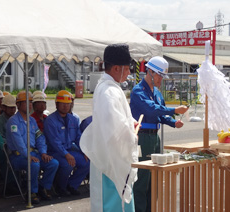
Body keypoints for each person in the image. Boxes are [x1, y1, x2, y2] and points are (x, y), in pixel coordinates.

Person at [80, 43, 139, 212]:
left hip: (111, 157)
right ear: (116, 68)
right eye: (127, 69)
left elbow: (116, 121)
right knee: (114, 204)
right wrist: (132, 133)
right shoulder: (108, 92)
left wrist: (130, 124)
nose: (129, 73)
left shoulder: (109, 88)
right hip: (110, 160)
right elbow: (114, 131)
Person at [130, 56, 189, 212]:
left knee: (154, 179)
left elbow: (161, 115)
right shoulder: (138, 91)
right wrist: (175, 110)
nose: (161, 79)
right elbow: (151, 109)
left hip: (154, 137)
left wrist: (173, 122)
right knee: (142, 178)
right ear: (150, 72)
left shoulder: (156, 92)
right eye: (160, 75)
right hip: (142, 137)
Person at [6, 91, 59, 204]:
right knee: (34, 165)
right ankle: (31, 192)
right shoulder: (13, 122)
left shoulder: (32, 120)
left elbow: (40, 137)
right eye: (25, 102)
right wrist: (28, 155)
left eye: (30, 102)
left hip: (33, 153)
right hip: (18, 156)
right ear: (18, 105)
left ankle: (43, 187)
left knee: (53, 163)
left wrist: (43, 153)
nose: (29, 105)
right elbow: (18, 142)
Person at [43, 90, 89, 196]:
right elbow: (54, 142)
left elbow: (78, 137)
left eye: (67, 104)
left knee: (86, 162)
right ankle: (60, 187)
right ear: (56, 104)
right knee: (68, 164)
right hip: (55, 152)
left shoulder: (73, 119)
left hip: (69, 151)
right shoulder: (50, 120)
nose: (65, 106)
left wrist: (85, 150)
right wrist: (66, 154)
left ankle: (72, 185)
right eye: (63, 104)